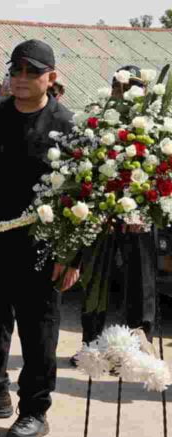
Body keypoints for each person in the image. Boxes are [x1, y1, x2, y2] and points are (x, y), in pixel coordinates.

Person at [0, 39, 80, 437]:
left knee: (38, 333)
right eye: (17, 71)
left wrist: (72, 254)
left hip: (42, 248)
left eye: (33, 72)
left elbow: (82, 197)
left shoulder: (68, 126)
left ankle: (35, 410)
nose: (23, 79)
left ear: (52, 77)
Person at [75, 65, 156, 361]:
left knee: (141, 282)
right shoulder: (96, 122)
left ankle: (139, 345)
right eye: (120, 87)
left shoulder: (155, 124)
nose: (126, 93)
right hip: (100, 215)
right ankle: (91, 344)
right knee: (95, 280)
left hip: (139, 217)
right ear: (112, 89)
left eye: (133, 87)